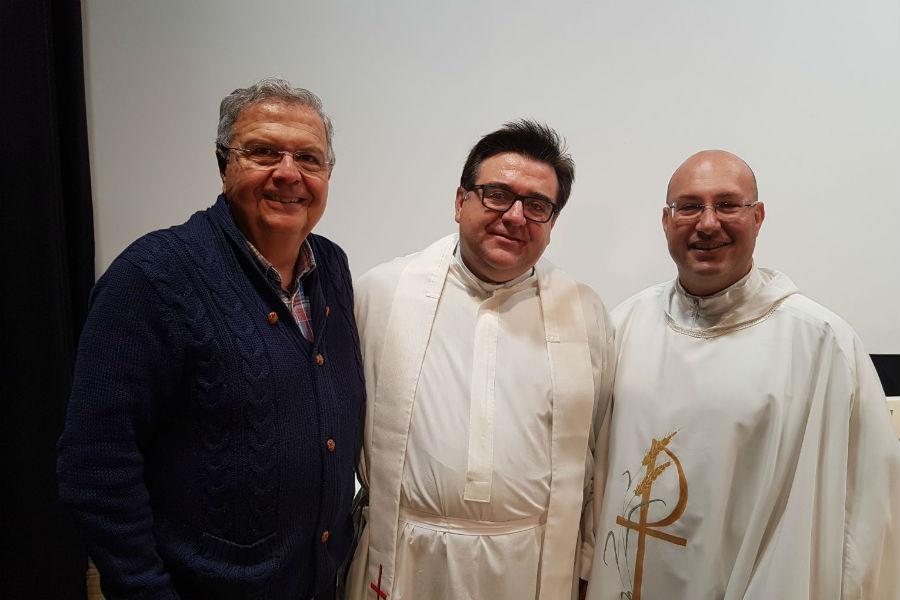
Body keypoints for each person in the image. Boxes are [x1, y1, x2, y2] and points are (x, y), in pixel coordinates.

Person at [57, 78, 365, 600]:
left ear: (328, 174)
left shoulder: (330, 266)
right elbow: (96, 465)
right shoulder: (153, 277)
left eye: (309, 159)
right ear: (224, 164)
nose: (288, 173)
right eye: (263, 152)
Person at [587, 150, 900, 599]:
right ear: (666, 220)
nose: (708, 223)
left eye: (728, 205)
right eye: (690, 206)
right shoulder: (625, 325)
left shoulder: (820, 344)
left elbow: (865, 516)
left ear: (758, 217)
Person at [345, 120, 615, 600]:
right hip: (406, 559)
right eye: (496, 194)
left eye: (537, 206)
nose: (515, 216)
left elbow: (599, 452)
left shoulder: (584, 312)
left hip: (530, 569)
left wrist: (589, 563)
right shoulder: (381, 294)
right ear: (459, 201)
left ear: (552, 222)